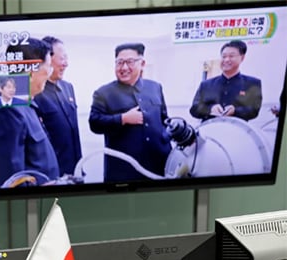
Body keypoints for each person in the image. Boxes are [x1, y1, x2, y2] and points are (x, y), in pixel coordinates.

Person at [89, 42, 171, 182]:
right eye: (120, 62)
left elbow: (164, 119)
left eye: (130, 62)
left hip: (159, 164)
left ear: (142, 63)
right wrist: (123, 119)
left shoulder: (155, 87)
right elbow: (94, 123)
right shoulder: (103, 93)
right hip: (123, 170)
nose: (124, 67)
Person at [0, 37, 59, 188]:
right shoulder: (8, 110)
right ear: (31, 72)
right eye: (48, 67)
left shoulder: (26, 105)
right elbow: (12, 181)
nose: (50, 73)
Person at [33, 36, 83, 176]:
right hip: (52, 174)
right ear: (48, 59)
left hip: (75, 170)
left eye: (66, 58)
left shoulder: (68, 87)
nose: (66, 64)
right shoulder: (36, 92)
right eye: (62, 59)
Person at [189, 40, 262, 122]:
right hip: (208, 131)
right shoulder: (206, 84)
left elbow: (254, 110)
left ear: (242, 58)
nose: (226, 60)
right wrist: (210, 109)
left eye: (231, 56)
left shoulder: (252, 83)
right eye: (224, 56)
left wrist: (235, 111)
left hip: (237, 131)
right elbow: (194, 109)